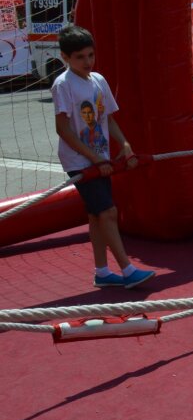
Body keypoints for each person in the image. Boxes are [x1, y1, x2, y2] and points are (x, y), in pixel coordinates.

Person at [50, 26, 155, 289]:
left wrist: (125, 144)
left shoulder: (98, 79)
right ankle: (127, 269)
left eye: (90, 55)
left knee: (97, 216)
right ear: (65, 57)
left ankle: (102, 272)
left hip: (100, 157)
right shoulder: (63, 85)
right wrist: (94, 158)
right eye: (79, 57)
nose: (87, 62)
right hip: (80, 161)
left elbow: (107, 116)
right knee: (108, 212)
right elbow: (62, 129)